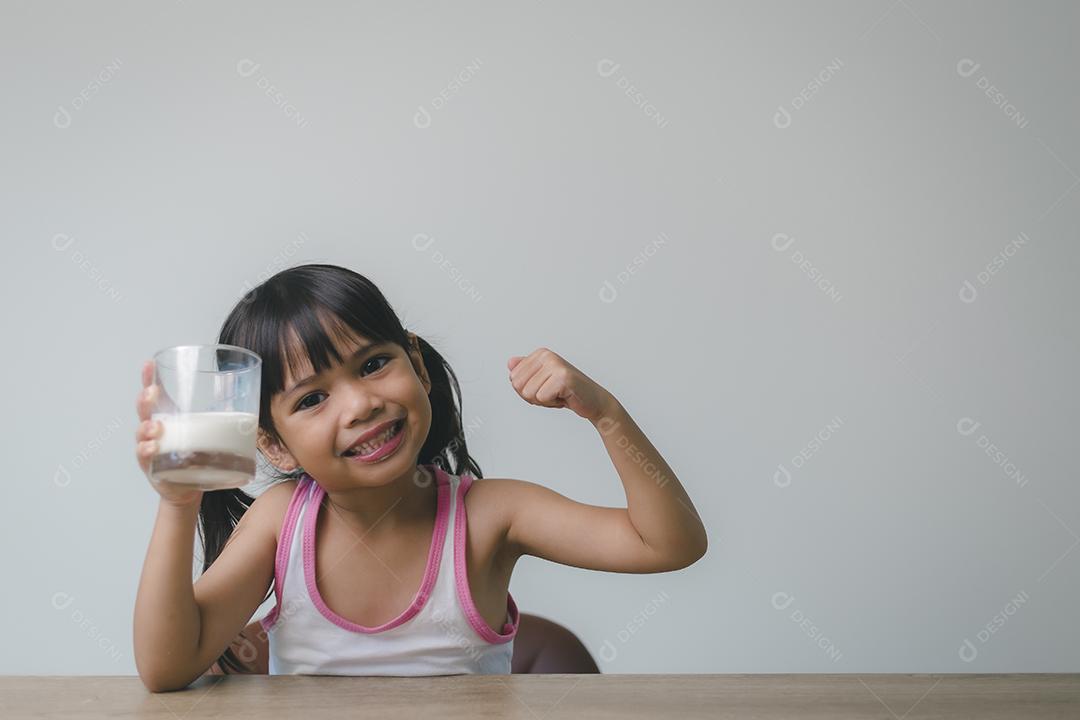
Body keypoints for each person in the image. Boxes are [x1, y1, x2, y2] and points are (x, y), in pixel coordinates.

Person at [133, 264, 707, 692]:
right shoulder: (282, 521)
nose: (360, 404)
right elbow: (167, 666)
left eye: (374, 364)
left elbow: (669, 545)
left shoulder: (491, 516)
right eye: (312, 399)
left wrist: (604, 412)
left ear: (416, 363)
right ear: (274, 445)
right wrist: (178, 504)